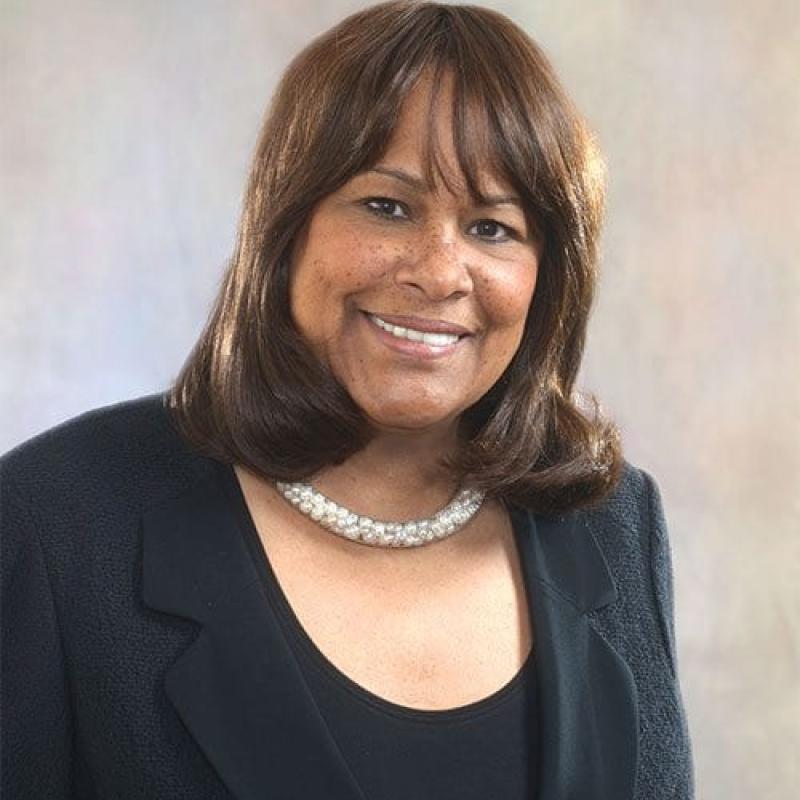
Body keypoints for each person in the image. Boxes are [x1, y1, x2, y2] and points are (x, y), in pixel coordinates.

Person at [1, 2, 694, 798]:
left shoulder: (615, 525)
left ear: (549, 277)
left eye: (494, 228)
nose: (439, 272)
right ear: (285, 229)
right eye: (387, 206)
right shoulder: (55, 523)